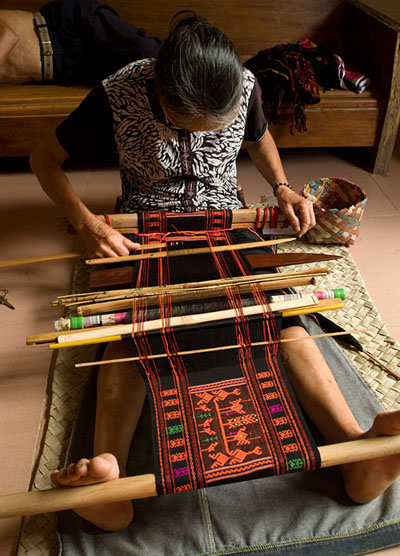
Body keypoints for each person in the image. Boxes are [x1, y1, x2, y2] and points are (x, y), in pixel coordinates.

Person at [30, 12, 400, 532]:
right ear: (161, 91)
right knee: (135, 328)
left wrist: (282, 188)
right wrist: (86, 222)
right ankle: (108, 479)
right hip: (148, 225)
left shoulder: (243, 84)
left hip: (227, 218)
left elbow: (260, 138)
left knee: (275, 314)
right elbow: (43, 158)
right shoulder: (119, 93)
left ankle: (353, 447)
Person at [0, 0, 161, 86]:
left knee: (150, 53)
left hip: (65, 28)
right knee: (143, 79)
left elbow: (8, 36)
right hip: (67, 69)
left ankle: (185, 44)